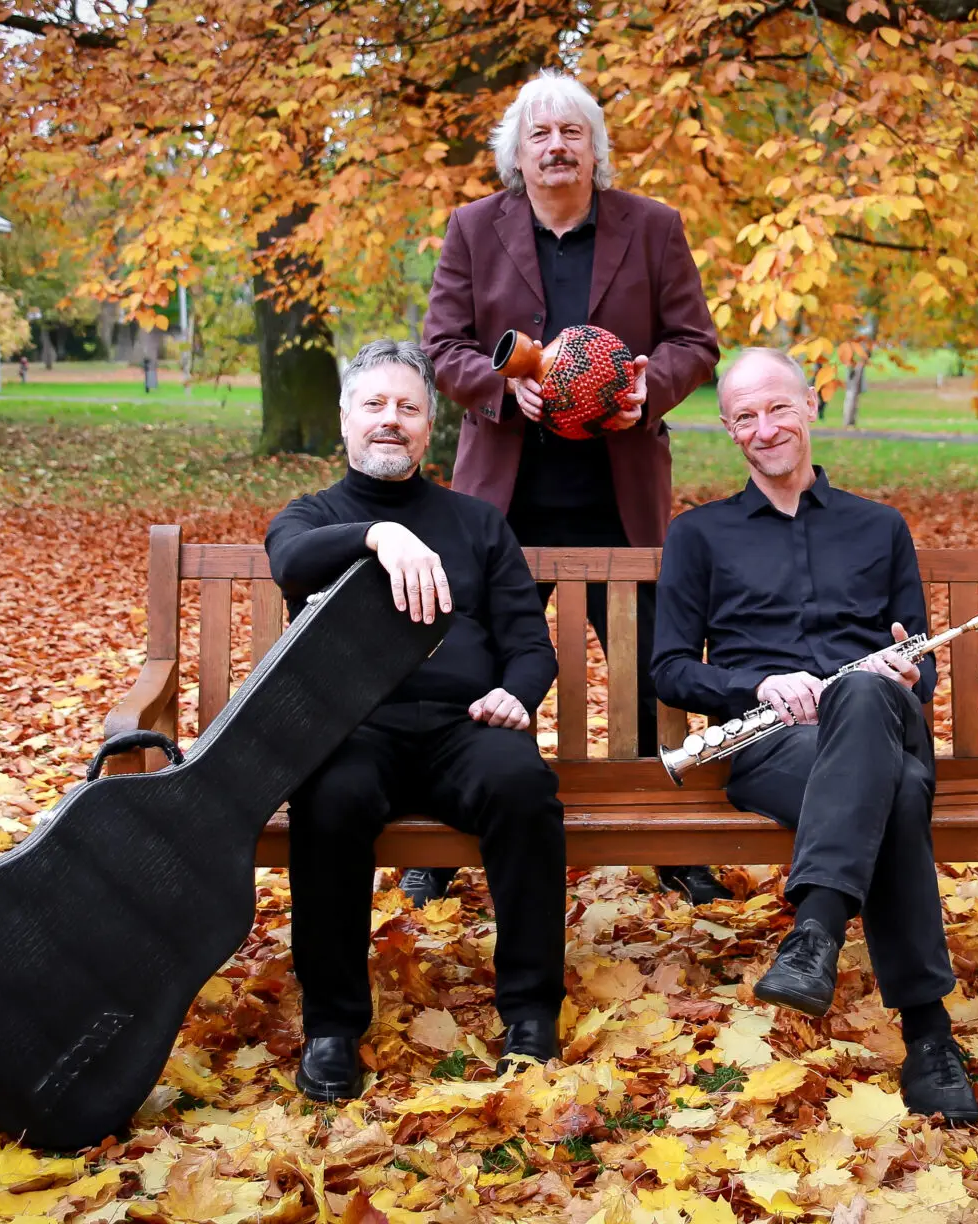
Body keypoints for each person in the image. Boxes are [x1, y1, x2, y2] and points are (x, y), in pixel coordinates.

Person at [417, 69, 728, 907]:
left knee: (647, 665)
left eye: (572, 133)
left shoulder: (654, 228)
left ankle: (670, 837)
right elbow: (442, 344)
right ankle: (440, 840)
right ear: (517, 156)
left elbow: (696, 341)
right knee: (467, 657)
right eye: (540, 135)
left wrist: (647, 388)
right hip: (503, 499)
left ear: (596, 148)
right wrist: (498, 383)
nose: (557, 147)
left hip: (616, 488)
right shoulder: (475, 229)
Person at [649, 347, 978, 1125]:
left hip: (882, 723)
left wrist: (904, 679)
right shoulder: (699, 536)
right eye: (746, 417)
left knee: (866, 691)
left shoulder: (880, 526)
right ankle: (929, 1036)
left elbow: (919, 664)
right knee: (893, 796)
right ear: (731, 431)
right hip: (774, 746)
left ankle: (815, 935)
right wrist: (754, 684)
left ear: (812, 405)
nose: (765, 428)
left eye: (779, 408)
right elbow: (667, 669)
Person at [265, 339, 566, 1101]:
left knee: (523, 786)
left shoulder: (476, 523)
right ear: (345, 420)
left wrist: (518, 696)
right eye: (374, 405)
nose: (390, 421)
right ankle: (332, 1028)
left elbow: (531, 644)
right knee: (327, 800)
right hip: (353, 730)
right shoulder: (314, 517)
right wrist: (378, 535)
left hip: (465, 727)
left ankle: (530, 1014)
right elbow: (291, 562)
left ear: (431, 425)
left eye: (407, 407)